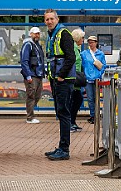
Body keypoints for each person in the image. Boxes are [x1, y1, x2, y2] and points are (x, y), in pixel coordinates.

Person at [43, 9, 76, 161]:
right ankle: (61, 146)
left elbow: (71, 57)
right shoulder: (52, 34)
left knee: (63, 113)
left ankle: (64, 149)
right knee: (60, 113)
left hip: (64, 80)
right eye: (47, 19)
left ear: (57, 19)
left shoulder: (64, 34)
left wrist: (61, 76)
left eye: (51, 19)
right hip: (56, 80)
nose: (49, 21)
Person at [20, 27, 45, 124]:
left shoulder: (38, 46)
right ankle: (30, 117)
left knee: (37, 95)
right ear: (31, 34)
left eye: (38, 33)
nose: (37, 35)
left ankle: (30, 113)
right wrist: (28, 75)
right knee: (31, 95)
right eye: (35, 33)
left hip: (39, 75)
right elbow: (24, 61)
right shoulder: (28, 45)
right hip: (32, 75)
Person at [81, 35, 107, 124]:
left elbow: (103, 66)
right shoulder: (84, 53)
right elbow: (81, 65)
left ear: (96, 43)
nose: (91, 44)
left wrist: (99, 75)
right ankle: (92, 115)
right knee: (90, 98)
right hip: (88, 79)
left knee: (96, 98)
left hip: (96, 79)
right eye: (89, 42)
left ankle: (96, 114)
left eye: (92, 42)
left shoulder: (101, 54)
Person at [70, 28, 85, 132]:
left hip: (77, 78)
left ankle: (73, 121)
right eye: (82, 38)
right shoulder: (73, 48)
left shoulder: (77, 48)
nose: (83, 40)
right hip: (74, 78)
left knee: (77, 99)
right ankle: (71, 122)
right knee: (75, 100)